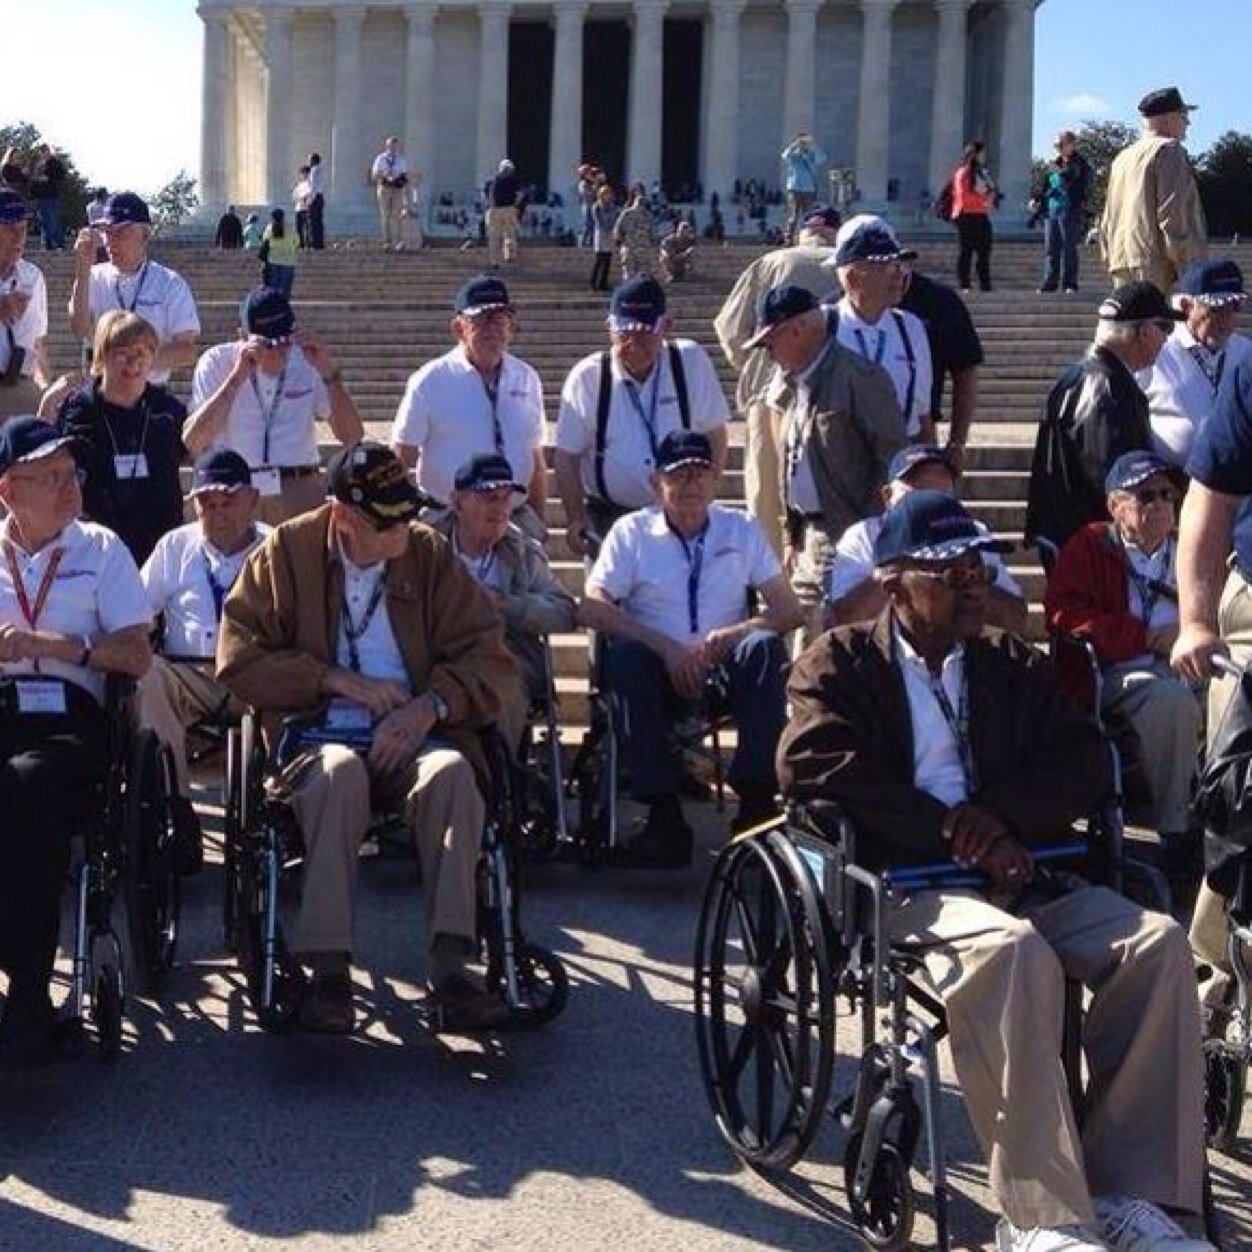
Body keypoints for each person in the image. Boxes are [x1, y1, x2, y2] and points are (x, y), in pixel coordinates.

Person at [779, 489, 1212, 1252]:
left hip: (1024, 869)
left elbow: (1083, 757)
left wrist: (1004, 818)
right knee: (1013, 956)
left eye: (977, 565)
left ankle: (1128, 1195)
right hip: (910, 885)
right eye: (948, 570)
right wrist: (948, 831)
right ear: (893, 585)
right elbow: (812, 762)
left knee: (1158, 946)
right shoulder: (840, 662)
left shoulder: (1006, 661)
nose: (973, 583)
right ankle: (1041, 1216)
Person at [216, 441, 519, 1034]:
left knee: (454, 773)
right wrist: (330, 678)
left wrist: (431, 707)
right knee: (339, 772)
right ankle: (329, 973)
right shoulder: (287, 551)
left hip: (412, 731)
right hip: (317, 733)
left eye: (409, 511)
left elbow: (491, 657)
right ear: (344, 517)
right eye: (390, 518)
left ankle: (453, 969)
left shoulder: (428, 554)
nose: (406, 525)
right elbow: (238, 659)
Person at [0, 417, 152, 1068]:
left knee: (28, 784)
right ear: (9, 490)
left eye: (71, 474)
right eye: (51, 477)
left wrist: (59, 647)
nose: (69, 488)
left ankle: (30, 994)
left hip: (71, 712)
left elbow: (138, 654)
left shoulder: (101, 549)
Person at [582, 431, 803, 866]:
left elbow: (789, 610)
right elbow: (593, 608)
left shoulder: (739, 528)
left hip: (722, 668)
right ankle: (664, 816)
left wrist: (735, 634)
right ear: (656, 482)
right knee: (624, 658)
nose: (690, 485)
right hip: (655, 669)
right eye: (678, 475)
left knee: (762, 648)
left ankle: (757, 801)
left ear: (716, 478)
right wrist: (664, 647)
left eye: (699, 474)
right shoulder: (631, 532)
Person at [1046, 450, 1201, 888]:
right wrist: (1146, 637)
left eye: (1167, 495)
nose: (1159, 505)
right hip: (1119, 670)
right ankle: (1175, 831)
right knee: (1169, 699)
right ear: (1116, 506)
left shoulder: (1190, 544)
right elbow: (1062, 614)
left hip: (1192, 661)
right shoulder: (1092, 545)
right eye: (1145, 496)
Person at [743, 283, 903, 640]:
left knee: (835, 648)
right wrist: (791, 535)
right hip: (808, 541)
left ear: (798, 329)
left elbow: (892, 460)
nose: (768, 354)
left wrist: (872, 534)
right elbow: (796, 462)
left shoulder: (859, 377)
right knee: (808, 651)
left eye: (771, 342)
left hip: (850, 535)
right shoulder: (792, 383)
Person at [137, 450, 268, 874]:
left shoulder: (278, 546)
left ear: (253, 500)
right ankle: (176, 806)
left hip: (258, 678)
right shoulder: (175, 546)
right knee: (146, 675)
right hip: (193, 675)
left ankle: (285, 809)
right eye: (207, 503)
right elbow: (136, 614)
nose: (218, 512)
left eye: (228, 500)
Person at [554, 275, 730, 553]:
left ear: (666, 326)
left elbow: (715, 434)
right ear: (608, 329)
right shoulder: (587, 377)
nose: (634, 341)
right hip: (609, 519)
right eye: (624, 329)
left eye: (646, 329)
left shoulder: (691, 362)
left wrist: (707, 492)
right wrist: (576, 517)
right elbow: (566, 457)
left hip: (681, 516)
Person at [714, 205, 840, 554]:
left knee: (765, 495)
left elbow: (728, 327)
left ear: (803, 232)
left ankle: (771, 584)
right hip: (832, 391)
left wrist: (755, 363)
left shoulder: (772, 261)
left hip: (768, 388)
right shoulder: (844, 266)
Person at [1024, 281, 1183, 557]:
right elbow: (1121, 478)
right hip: (1091, 547)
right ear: (1144, 332)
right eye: (1165, 328)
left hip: (1069, 538)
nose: (1167, 339)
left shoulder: (1080, 375)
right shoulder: (1108, 388)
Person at [184, 287, 365, 525]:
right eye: (267, 342)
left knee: (302, 560)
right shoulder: (217, 362)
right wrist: (236, 379)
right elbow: (194, 441)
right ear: (242, 337)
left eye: (285, 340)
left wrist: (329, 373)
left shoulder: (307, 361)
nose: (278, 351)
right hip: (237, 488)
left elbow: (352, 436)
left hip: (298, 484)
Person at [431, 453, 576, 748]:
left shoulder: (522, 550)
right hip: (437, 653)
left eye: (505, 498)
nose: (500, 508)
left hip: (506, 654)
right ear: (457, 502)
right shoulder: (425, 546)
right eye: (488, 498)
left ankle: (498, 772)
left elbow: (563, 610)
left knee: (504, 689)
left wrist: (506, 606)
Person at [392, 275, 546, 536]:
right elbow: (401, 455)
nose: (492, 328)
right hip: (447, 520)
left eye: (500, 319)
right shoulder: (430, 381)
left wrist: (538, 522)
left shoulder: (527, 378)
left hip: (514, 519)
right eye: (481, 320)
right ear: (458, 328)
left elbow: (536, 460)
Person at [825, 443, 1026, 634]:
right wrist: (898, 567)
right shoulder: (864, 537)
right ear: (887, 496)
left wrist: (969, 578)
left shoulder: (974, 535)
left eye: (940, 498)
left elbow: (1015, 620)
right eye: (916, 497)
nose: (929, 507)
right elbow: (845, 619)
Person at [49, 311, 186, 567]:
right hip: (96, 548)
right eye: (123, 353)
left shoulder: (167, 409)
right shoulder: (78, 409)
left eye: (143, 353)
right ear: (103, 354)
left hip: (160, 546)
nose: (133, 362)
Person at [68, 192, 200, 386]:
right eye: (107, 232)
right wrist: (82, 273)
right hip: (101, 391)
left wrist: (133, 362)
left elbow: (186, 351)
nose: (111, 242)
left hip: (150, 393)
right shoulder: (92, 277)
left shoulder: (170, 283)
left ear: (145, 236)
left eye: (121, 233)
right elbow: (79, 329)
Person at [827, 214, 934, 441]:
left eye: (900, 264)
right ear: (853, 278)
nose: (899, 274)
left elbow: (921, 414)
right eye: (885, 265)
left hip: (898, 460)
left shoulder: (912, 328)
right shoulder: (823, 325)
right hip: (839, 464)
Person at [1140, 259, 1251, 467]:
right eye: (1215, 309)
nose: (1226, 319)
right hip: (1172, 483)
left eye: (1234, 306)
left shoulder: (1245, 352)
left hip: (1236, 483)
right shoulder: (1157, 353)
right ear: (1186, 306)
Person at [1101, 87, 1207, 294]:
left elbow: (1108, 216)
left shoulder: (1122, 157)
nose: (1188, 123)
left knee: (1130, 324)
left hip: (1122, 260)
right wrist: (1187, 263)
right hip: (1158, 262)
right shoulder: (1169, 150)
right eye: (1184, 116)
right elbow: (1172, 212)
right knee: (1158, 324)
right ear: (1167, 119)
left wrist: (1109, 256)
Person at [0, 189, 49, 421]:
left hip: (21, 389)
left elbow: (38, 341)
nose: (19, 238)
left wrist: (46, 387)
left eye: (23, 229)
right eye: (10, 229)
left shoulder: (32, 276)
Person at [1032, 131, 1093, 294]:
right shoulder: (1054, 164)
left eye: (1061, 145)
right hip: (1052, 210)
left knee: (1069, 247)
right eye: (1056, 145)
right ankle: (1050, 282)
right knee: (1051, 249)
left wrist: (1063, 173)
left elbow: (1081, 185)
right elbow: (1046, 186)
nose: (1058, 148)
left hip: (1070, 209)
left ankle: (1070, 283)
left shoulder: (1080, 164)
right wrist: (1037, 199)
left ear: (1072, 145)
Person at [948, 140, 997, 293]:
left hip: (981, 215)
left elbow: (991, 191)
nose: (984, 157)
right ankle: (965, 284)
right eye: (982, 153)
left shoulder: (983, 173)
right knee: (966, 251)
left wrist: (991, 196)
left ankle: (985, 284)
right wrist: (984, 199)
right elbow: (963, 196)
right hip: (966, 215)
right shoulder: (962, 173)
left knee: (984, 251)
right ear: (974, 154)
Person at [779, 134, 827, 242]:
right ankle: (789, 238)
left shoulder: (812, 155)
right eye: (802, 142)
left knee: (809, 215)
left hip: (808, 188)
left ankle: (807, 237)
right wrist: (794, 145)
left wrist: (813, 145)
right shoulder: (794, 156)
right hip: (795, 187)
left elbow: (822, 158)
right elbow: (785, 155)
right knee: (794, 214)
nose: (804, 144)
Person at [370, 136, 408, 250]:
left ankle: (398, 241)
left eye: (395, 145)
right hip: (384, 187)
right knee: (385, 215)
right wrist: (385, 175)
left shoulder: (400, 159)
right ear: (387, 146)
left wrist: (398, 178)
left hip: (397, 189)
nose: (393, 147)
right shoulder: (380, 159)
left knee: (396, 215)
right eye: (391, 145)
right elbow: (374, 174)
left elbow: (404, 174)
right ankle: (386, 241)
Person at [485, 159, 522, 270]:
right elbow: (520, 194)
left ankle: (494, 260)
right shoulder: (513, 180)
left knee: (494, 237)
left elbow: (486, 195)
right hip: (508, 208)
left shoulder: (492, 180)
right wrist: (516, 205)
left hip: (494, 209)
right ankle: (509, 255)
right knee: (510, 233)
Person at [28, 145, 66, 253]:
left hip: (52, 196)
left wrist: (49, 178)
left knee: (54, 220)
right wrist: (32, 196)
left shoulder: (55, 163)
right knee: (43, 222)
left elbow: (61, 176)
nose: (44, 154)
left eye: (46, 151)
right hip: (41, 197)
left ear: (49, 152)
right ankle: (46, 245)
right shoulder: (38, 165)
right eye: (42, 152)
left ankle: (59, 244)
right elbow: (33, 182)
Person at [614, 185, 654, 281]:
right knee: (638, 276)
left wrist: (621, 243)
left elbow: (617, 231)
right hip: (634, 249)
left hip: (637, 249)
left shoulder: (646, 215)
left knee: (632, 276)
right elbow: (618, 230)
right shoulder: (629, 214)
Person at [260, 207, 298, 298]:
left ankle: (274, 307)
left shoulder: (270, 228)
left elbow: (265, 241)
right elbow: (297, 242)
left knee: (273, 287)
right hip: (289, 261)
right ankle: (283, 307)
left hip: (274, 260)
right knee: (285, 288)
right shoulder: (290, 228)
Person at [589, 183, 619, 293]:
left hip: (610, 235)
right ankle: (593, 282)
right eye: (605, 193)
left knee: (608, 260)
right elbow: (598, 221)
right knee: (599, 259)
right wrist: (607, 227)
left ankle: (603, 283)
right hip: (601, 234)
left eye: (609, 193)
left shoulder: (613, 207)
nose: (608, 196)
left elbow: (616, 219)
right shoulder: (596, 206)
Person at [306, 152, 326, 250]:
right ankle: (320, 243)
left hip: (314, 197)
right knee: (319, 221)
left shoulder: (313, 171)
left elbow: (313, 187)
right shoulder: (322, 171)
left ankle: (313, 243)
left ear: (313, 161)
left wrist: (310, 200)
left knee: (312, 221)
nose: (308, 162)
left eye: (309, 160)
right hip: (320, 196)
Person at [292, 168, 313, 251]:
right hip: (298, 208)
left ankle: (309, 244)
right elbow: (294, 195)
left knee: (308, 228)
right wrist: (299, 198)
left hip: (307, 208)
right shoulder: (299, 185)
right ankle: (300, 244)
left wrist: (303, 198)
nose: (303, 175)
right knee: (298, 228)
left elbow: (309, 194)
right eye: (302, 174)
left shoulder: (310, 184)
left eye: (305, 173)